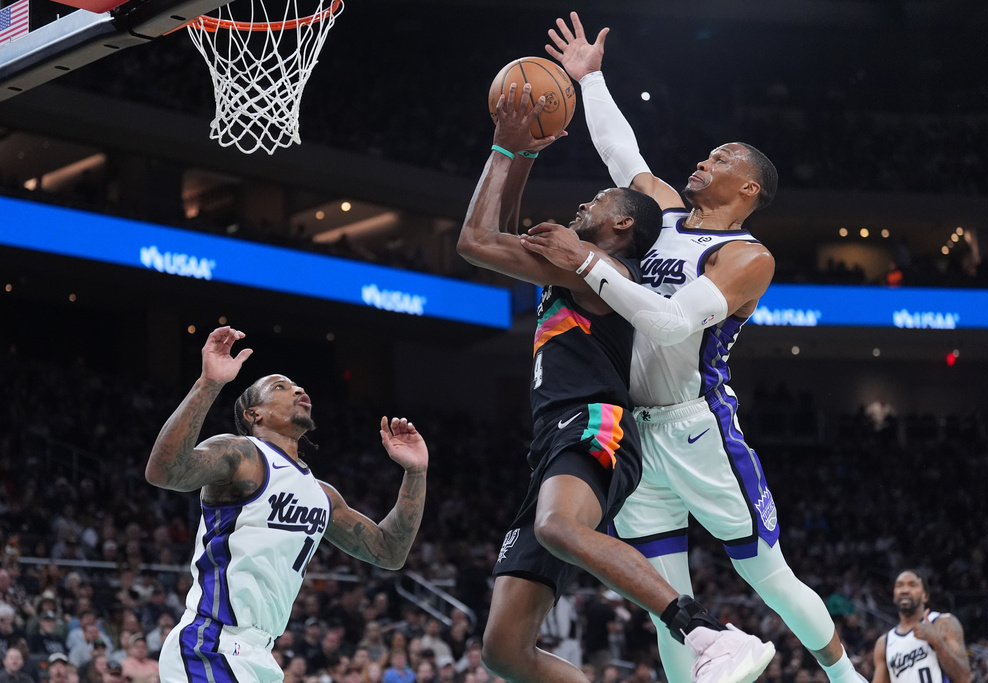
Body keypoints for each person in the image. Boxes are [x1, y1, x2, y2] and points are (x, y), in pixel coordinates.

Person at [521, 12, 862, 683]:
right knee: (667, 604)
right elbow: (623, 154)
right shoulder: (663, 213)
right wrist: (590, 79)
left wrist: (586, 266)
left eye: (724, 157)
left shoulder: (746, 255)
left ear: (749, 188)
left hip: (695, 425)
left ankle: (848, 677)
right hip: (632, 432)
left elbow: (675, 326)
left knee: (767, 575)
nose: (706, 158)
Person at [457, 82, 773, 683]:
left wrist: (505, 148)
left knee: (558, 526)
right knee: (504, 651)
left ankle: (705, 631)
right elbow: (497, 235)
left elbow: (475, 242)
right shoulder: (578, 261)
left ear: (622, 222)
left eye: (597, 201)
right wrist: (523, 154)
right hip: (553, 437)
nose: (583, 206)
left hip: (594, 424)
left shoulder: (605, 269)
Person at [145, 326, 429, 683]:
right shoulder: (242, 454)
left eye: (298, 386)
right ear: (253, 415)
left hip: (260, 654)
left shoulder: (322, 495)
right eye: (279, 387)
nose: (298, 389)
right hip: (211, 644)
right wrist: (209, 383)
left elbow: (389, 552)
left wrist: (416, 472)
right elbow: (164, 472)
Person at [871, 570, 971, 683]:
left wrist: (936, 641)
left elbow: (964, 678)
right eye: (899, 586)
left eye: (912, 585)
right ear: (894, 595)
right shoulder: (884, 643)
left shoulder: (943, 623)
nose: (905, 590)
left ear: (925, 596)